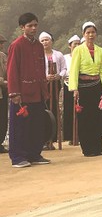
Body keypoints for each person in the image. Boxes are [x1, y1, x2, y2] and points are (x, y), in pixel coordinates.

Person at [5, 13, 49, 167]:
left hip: (37, 92)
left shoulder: (38, 45)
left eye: (35, 25)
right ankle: (18, 157)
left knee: (36, 124)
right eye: (30, 25)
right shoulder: (16, 45)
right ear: (22, 27)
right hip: (22, 93)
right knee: (20, 126)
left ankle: (34, 154)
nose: (33, 28)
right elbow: (12, 71)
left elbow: (42, 68)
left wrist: (45, 90)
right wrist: (14, 93)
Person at [68, 22, 102, 157]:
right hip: (83, 87)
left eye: (93, 32)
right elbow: (74, 69)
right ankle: (88, 148)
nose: (91, 35)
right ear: (83, 35)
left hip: (96, 86)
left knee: (97, 116)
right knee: (85, 118)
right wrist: (74, 88)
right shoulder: (78, 50)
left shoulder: (100, 50)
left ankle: (98, 147)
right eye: (88, 33)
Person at [40, 32, 67, 149]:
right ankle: (44, 138)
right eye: (42, 40)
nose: (45, 42)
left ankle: (54, 138)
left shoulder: (59, 54)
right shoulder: (38, 55)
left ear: (51, 41)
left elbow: (64, 69)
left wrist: (59, 75)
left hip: (55, 84)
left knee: (55, 109)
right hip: (43, 85)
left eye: (47, 40)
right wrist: (45, 76)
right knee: (44, 110)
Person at [62, 35, 81, 142]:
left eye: (79, 44)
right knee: (69, 109)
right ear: (70, 46)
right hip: (68, 85)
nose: (77, 46)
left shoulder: (83, 55)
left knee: (81, 109)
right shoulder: (65, 58)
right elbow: (63, 70)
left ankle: (81, 134)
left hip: (81, 84)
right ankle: (70, 135)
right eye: (75, 44)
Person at [0, 34, 10, 154]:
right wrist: (4, 82)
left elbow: (8, 70)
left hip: (3, 92)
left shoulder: (3, 56)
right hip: (3, 86)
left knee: (3, 118)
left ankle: (0, 142)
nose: (2, 45)